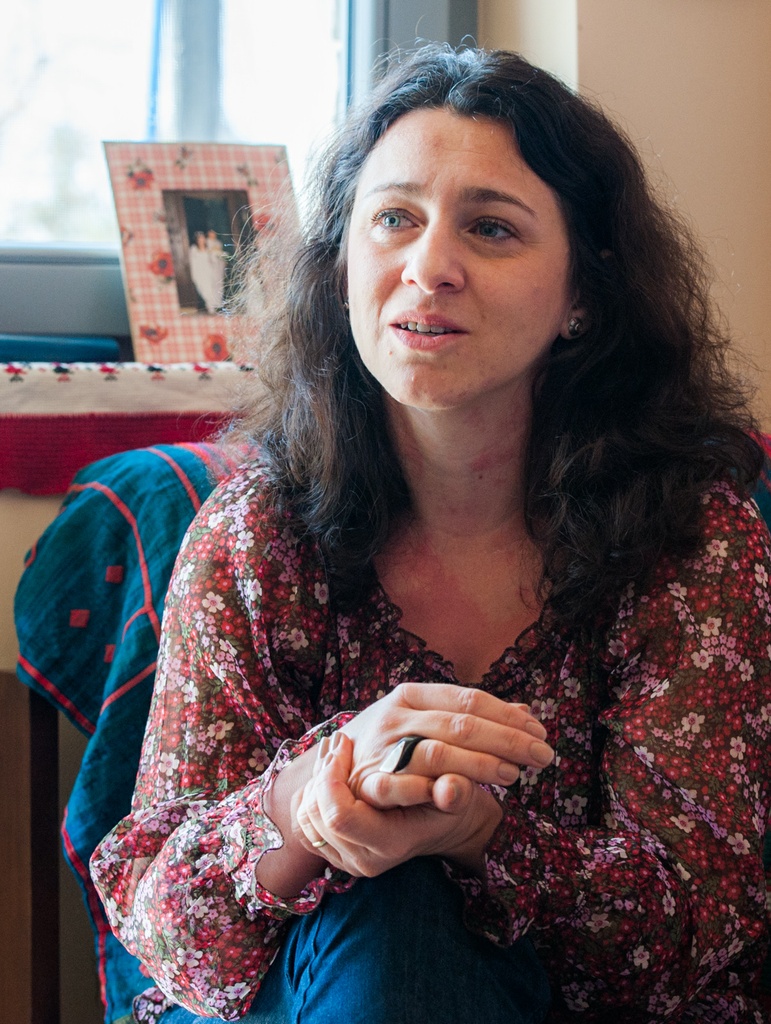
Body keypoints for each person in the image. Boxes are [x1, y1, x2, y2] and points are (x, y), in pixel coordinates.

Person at [91, 44, 771, 1023]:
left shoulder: (691, 535)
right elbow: (166, 933)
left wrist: (477, 835)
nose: (428, 268)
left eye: (490, 228)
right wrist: (312, 803)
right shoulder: (254, 534)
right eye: (394, 219)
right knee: (389, 914)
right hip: (310, 995)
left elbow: (691, 937)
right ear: (339, 267)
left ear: (585, 294)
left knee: (416, 907)